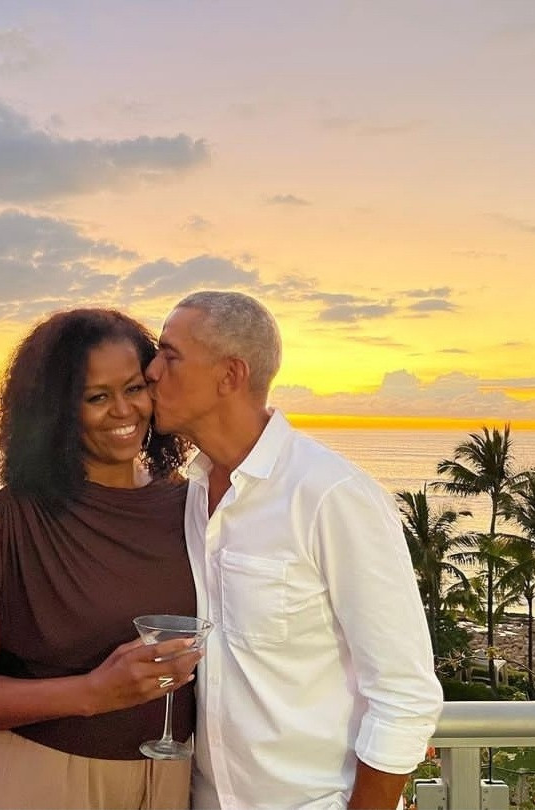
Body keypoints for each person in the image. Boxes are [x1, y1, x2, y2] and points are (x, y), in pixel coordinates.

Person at [144, 290, 444, 810]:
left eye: (169, 355)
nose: (151, 371)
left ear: (230, 375)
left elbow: (404, 694)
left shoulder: (331, 495)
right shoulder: (191, 493)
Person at [0, 308, 201, 810]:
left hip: (170, 779)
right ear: (56, 411)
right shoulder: (9, 526)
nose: (124, 410)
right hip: (41, 779)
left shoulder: (191, 505)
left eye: (135, 388)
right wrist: (93, 692)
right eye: (97, 397)